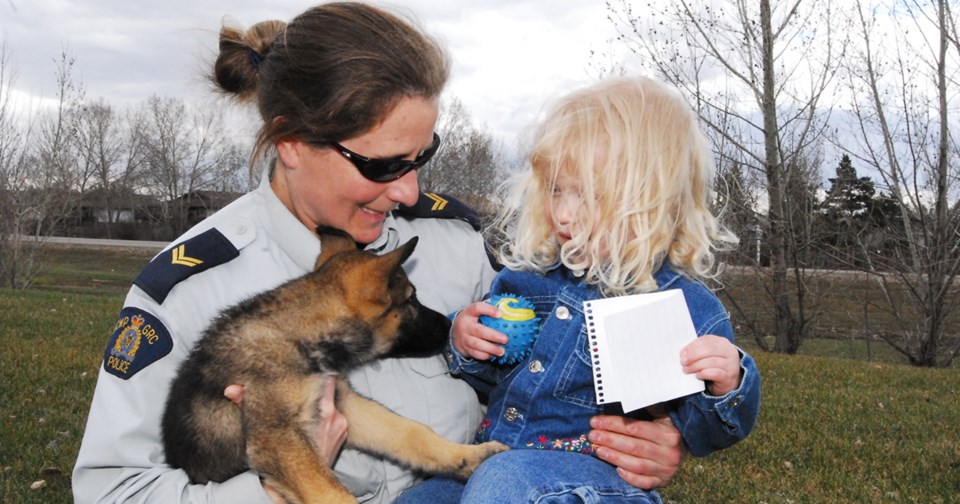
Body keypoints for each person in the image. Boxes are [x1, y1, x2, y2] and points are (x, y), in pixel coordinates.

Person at [72, 4, 687, 503]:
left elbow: (545, 370)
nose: (410, 191)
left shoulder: (453, 242)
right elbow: (112, 490)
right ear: (290, 141)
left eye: (421, 157)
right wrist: (275, 489)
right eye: (382, 165)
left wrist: (647, 434)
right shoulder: (190, 289)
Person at [397, 76, 762, 504]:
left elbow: (704, 431)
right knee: (422, 499)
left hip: (595, 484)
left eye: (587, 194)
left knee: (503, 481)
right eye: (556, 189)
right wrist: (466, 340)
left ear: (651, 198)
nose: (563, 213)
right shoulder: (527, 281)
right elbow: (495, 376)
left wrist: (730, 384)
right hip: (500, 463)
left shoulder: (680, 307)